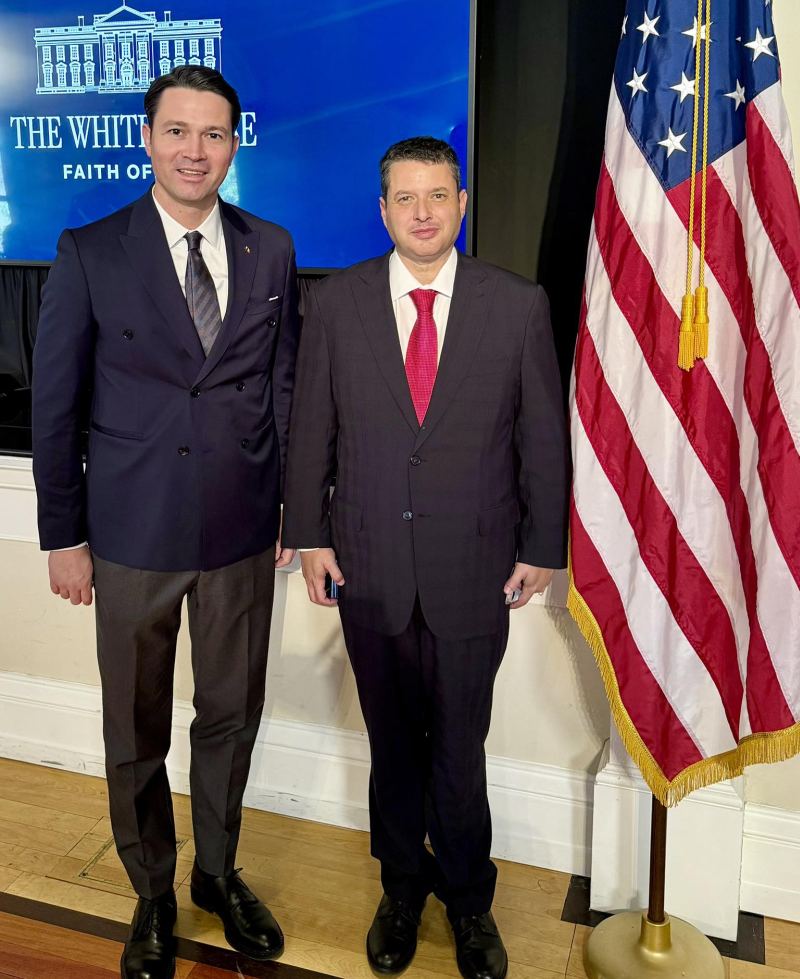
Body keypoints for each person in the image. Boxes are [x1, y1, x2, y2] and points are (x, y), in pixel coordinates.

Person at [32, 66, 299, 979]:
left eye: (213, 134)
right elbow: (55, 406)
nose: (195, 150)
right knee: (135, 723)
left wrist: (293, 509)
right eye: (177, 131)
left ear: (234, 144)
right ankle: (152, 890)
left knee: (230, 713)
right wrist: (65, 536)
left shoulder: (272, 247)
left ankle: (217, 873)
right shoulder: (90, 250)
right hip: (129, 535)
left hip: (241, 531)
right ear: (147, 139)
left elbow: (284, 390)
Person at [282, 136, 569, 979]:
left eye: (438, 195)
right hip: (368, 567)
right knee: (394, 746)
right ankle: (402, 888)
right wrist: (311, 533)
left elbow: (541, 437)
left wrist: (541, 544)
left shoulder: (516, 305)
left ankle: (471, 901)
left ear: (462, 203)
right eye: (405, 198)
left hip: (475, 571)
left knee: (459, 749)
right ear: (382, 210)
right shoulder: (336, 303)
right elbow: (312, 427)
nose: (422, 212)